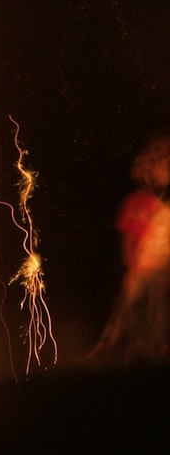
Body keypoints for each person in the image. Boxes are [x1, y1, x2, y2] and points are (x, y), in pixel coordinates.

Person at [90, 132, 170, 363]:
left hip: (159, 270)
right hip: (143, 268)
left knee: (157, 312)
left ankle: (154, 351)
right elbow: (129, 236)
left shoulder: (160, 205)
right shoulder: (137, 203)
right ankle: (111, 350)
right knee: (128, 310)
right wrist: (132, 264)